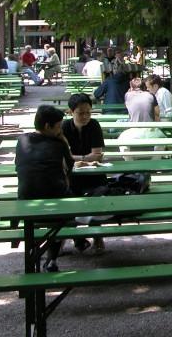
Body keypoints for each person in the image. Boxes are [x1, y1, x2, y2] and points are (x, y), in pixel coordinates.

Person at [15, 105, 74, 272]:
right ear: (48, 126)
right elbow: (70, 168)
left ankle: (37, 251)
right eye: (59, 127)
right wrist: (64, 141)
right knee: (72, 207)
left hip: (25, 197)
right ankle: (52, 259)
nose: (61, 130)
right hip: (55, 198)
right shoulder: (58, 143)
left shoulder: (22, 140)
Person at [61, 94, 107, 254]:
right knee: (67, 201)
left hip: (94, 176)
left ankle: (97, 237)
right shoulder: (64, 127)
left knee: (96, 200)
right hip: (71, 178)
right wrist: (84, 158)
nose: (86, 116)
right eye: (81, 113)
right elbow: (62, 157)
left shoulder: (94, 125)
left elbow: (97, 155)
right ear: (71, 112)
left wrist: (75, 158)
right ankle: (66, 237)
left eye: (88, 112)